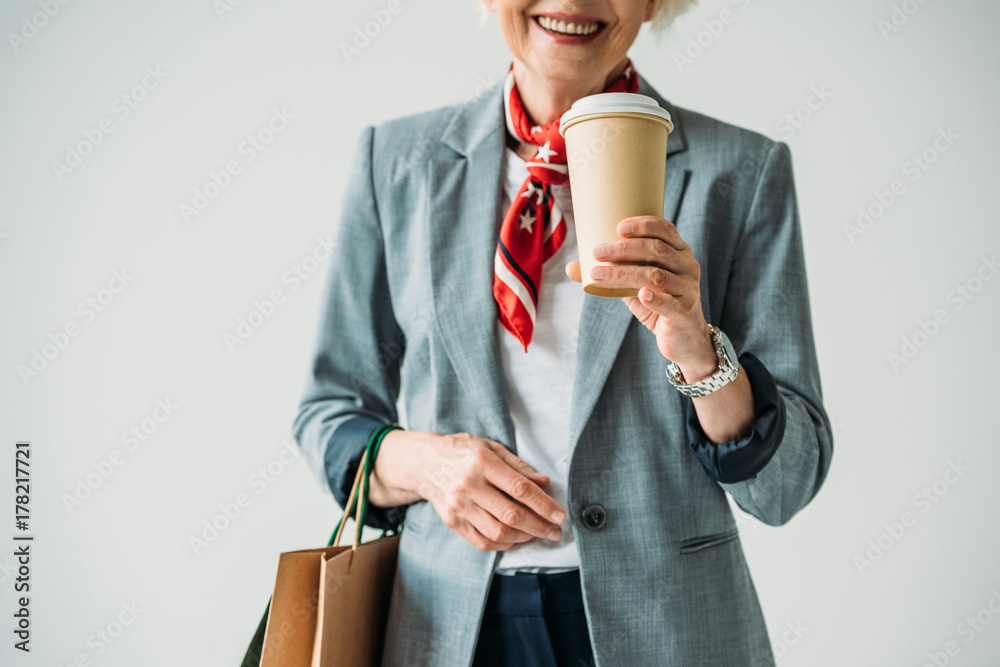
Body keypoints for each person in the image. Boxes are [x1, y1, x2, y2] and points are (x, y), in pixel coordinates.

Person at [292, 1, 834, 665]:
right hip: (448, 627)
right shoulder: (395, 163)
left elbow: (787, 483)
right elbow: (331, 411)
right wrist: (432, 466)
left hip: (670, 629)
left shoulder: (742, 173)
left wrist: (698, 348)